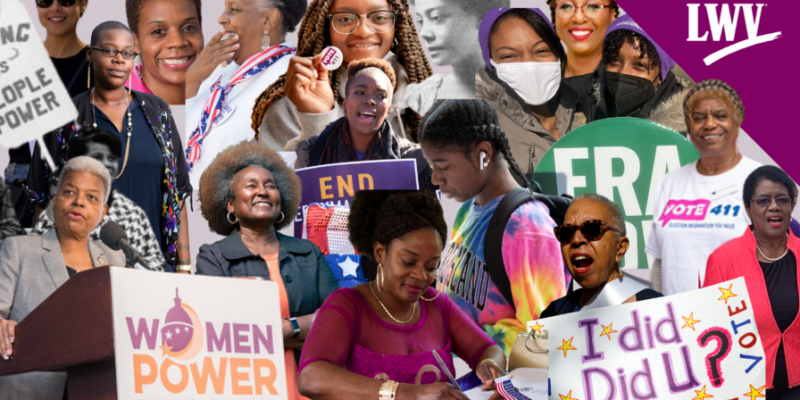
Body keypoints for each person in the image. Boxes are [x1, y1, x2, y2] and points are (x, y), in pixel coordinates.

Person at [298, 190, 507, 399]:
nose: (420, 275)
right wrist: (408, 393)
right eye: (408, 262)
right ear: (381, 253)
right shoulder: (348, 304)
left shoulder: (438, 303)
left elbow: (488, 350)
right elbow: (311, 377)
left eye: (431, 266)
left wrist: (490, 366)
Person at [27, 21, 193, 273]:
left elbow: (177, 196)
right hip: (80, 269)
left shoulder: (158, 113)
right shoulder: (62, 120)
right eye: (109, 50)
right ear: (90, 54)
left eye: (127, 53)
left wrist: (184, 265)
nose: (119, 60)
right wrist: (44, 269)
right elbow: (43, 201)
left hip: (152, 265)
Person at [419, 99, 566, 354]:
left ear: (482, 154)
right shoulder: (467, 209)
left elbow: (547, 339)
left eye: (442, 165)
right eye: (431, 166)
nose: (435, 178)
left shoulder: (526, 228)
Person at [195, 140, 338, 400]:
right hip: (245, 387)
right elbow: (217, 330)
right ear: (230, 205)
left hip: (311, 389)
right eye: (251, 186)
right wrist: (306, 328)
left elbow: (337, 319)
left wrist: (288, 328)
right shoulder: (213, 257)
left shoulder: (308, 252)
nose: (262, 191)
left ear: (281, 201)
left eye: (270, 186)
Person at [0, 157, 126, 399]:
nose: (79, 202)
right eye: (70, 192)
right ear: (55, 201)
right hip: (32, 390)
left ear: (103, 212)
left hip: (96, 389)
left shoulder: (114, 260)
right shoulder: (18, 250)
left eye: (91, 197)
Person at [251, 0, 433, 149]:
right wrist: (316, 118)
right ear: (325, 26)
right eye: (345, 18)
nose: (363, 31)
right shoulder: (292, 104)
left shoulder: (426, 100)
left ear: (397, 25)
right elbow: (276, 185)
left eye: (379, 17)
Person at [647, 80, 761, 295]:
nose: (709, 124)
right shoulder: (670, 182)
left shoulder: (759, 181)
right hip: (677, 320)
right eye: (698, 117)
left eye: (720, 116)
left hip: (737, 320)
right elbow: (661, 261)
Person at [185, 0, 307, 187]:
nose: (221, 18)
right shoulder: (215, 74)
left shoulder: (293, 79)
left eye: (234, 9)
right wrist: (190, 82)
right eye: (225, 8)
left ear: (269, 19)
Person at [705, 166, 800, 398]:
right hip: (747, 390)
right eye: (763, 200)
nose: (774, 206)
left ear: (792, 206)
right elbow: (711, 332)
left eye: (782, 199)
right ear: (748, 209)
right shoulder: (723, 260)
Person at [33, 127, 165, 271]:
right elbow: (36, 259)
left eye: (112, 158)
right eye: (97, 157)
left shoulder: (133, 214)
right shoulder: (60, 208)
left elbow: (154, 265)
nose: (107, 163)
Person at [10, 0, 91, 228]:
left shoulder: (102, 62)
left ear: (83, 4)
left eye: (65, 0)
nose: (54, 8)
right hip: (22, 192)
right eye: (45, 0)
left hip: (80, 189)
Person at [476, 8, 584, 178]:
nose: (529, 64)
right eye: (509, 56)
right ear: (492, 65)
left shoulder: (585, 108)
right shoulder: (478, 128)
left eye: (541, 51)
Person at [295, 58, 435, 189]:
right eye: (360, 92)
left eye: (381, 96)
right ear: (345, 102)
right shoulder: (308, 152)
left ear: (388, 110)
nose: (370, 100)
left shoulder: (416, 159)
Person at [541, 193, 661, 317]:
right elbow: (527, 337)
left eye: (592, 229)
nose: (576, 240)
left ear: (620, 248)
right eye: (566, 232)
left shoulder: (662, 311)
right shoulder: (552, 314)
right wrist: (526, 336)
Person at [583, 15, 694, 133]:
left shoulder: (691, 131)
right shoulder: (593, 106)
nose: (623, 72)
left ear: (660, 76)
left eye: (640, 65)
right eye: (614, 60)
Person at [404, 0, 509, 117]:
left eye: (436, 17)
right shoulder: (421, 98)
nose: (424, 33)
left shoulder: (520, 92)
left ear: (481, 17)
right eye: (420, 21)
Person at [125, 0, 204, 105]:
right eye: (158, 31)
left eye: (188, 28)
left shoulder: (220, 91)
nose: (177, 42)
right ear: (135, 42)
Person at [546, 0, 618, 100]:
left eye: (593, 7)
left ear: (612, 15)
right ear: (554, 16)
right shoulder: (541, 78)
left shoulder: (625, 79)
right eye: (566, 6)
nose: (578, 18)